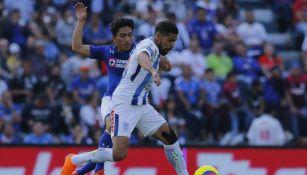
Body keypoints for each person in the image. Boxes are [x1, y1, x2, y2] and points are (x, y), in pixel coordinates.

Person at [61, 20, 189, 175]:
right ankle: (75, 161)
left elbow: (156, 59)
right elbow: (143, 57)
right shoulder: (144, 47)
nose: (172, 45)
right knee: (118, 153)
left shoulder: (148, 47)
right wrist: (152, 71)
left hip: (141, 104)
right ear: (159, 36)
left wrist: (163, 65)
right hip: (122, 104)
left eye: (130, 35)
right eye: (170, 41)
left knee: (170, 137)